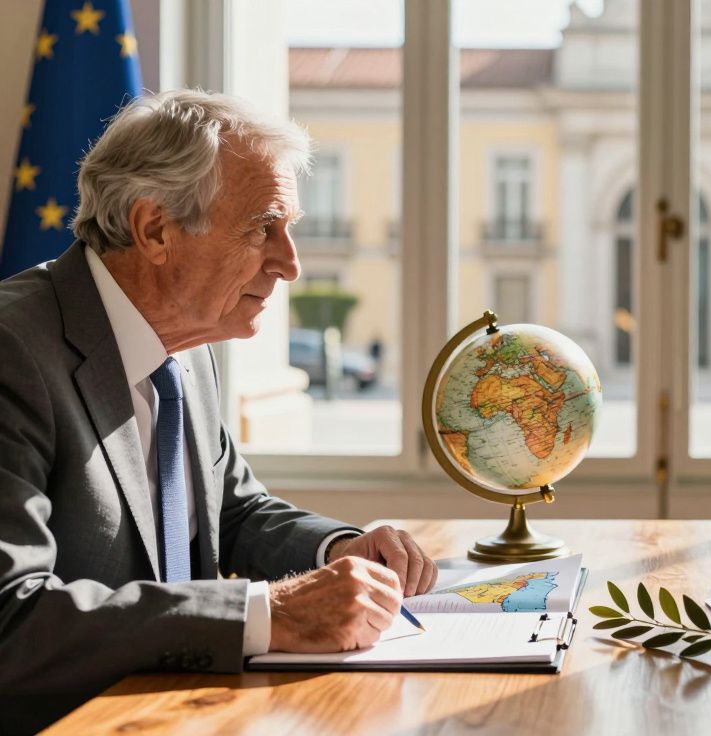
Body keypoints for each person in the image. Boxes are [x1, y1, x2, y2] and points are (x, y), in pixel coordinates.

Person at [0, 90, 437, 731]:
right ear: (155, 230)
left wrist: (341, 548)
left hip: (181, 710)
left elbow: (232, 512)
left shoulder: (186, 347)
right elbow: (12, 618)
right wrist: (266, 614)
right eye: (264, 227)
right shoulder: (14, 352)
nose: (290, 264)